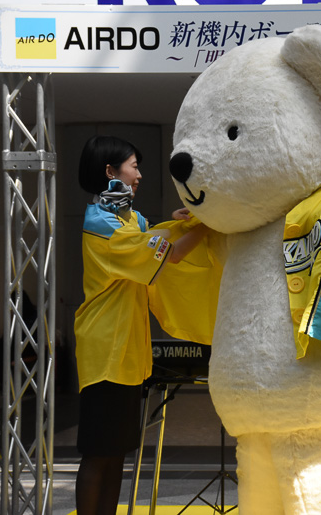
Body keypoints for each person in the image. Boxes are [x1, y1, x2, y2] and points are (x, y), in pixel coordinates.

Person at [73, 135, 209, 515]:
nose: (139, 175)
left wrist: (180, 222)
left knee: (117, 452)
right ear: (110, 171)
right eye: (134, 167)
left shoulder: (127, 218)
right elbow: (171, 254)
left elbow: (153, 234)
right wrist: (209, 226)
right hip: (106, 351)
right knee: (99, 453)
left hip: (127, 352)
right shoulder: (103, 224)